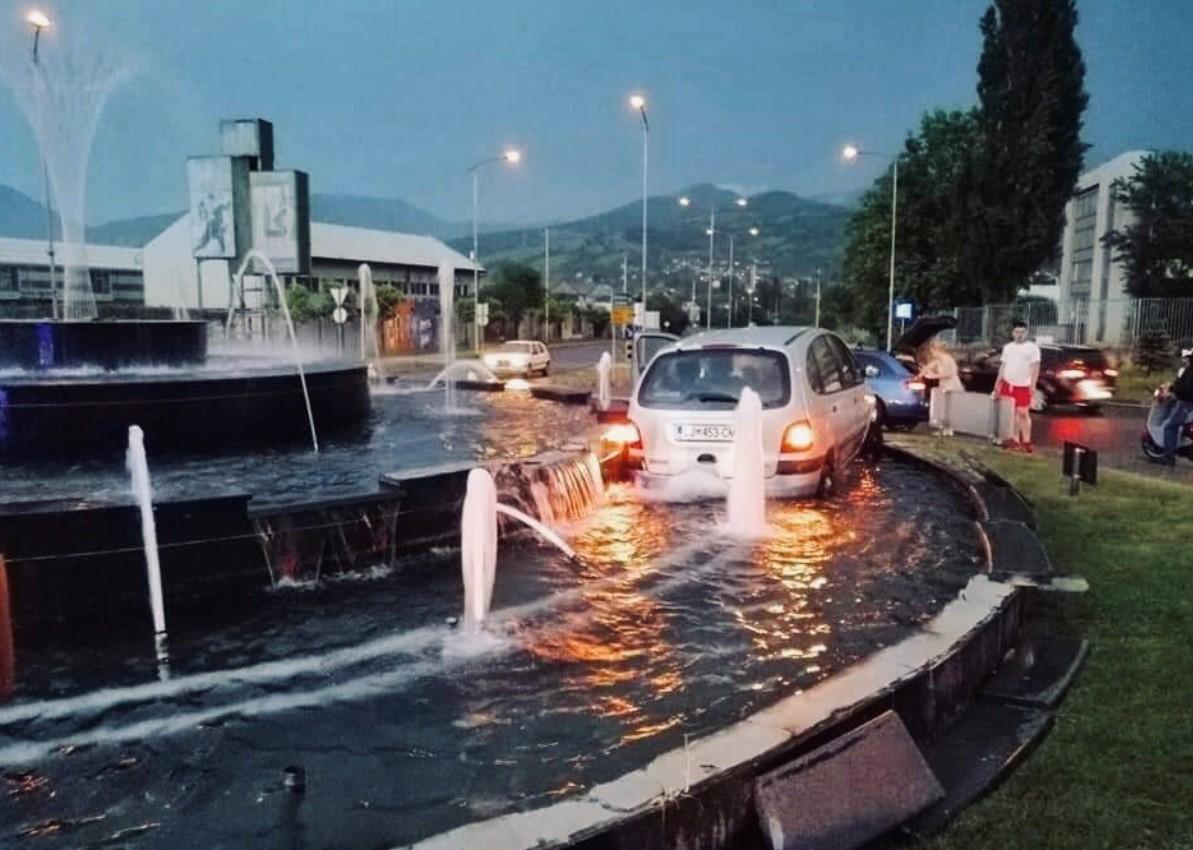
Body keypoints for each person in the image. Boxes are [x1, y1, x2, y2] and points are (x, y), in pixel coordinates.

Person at [991, 320, 1041, 452]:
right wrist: (998, 383)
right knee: (1011, 414)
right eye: (1017, 332)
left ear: (1026, 333)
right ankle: (1014, 440)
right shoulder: (1008, 347)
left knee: (1023, 413)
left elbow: (1035, 367)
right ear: (1013, 333)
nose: (1020, 334)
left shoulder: (1032, 348)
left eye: (1022, 332)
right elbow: (1003, 366)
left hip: (1023, 385)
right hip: (1008, 384)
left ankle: (1027, 441)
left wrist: (1033, 385)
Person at [916, 338, 964, 436]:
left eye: (931, 351)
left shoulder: (948, 359)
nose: (931, 354)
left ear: (936, 350)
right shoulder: (938, 360)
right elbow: (927, 368)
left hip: (952, 386)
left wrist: (934, 376)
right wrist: (919, 375)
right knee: (944, 409)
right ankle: (944, 430)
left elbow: (950, 373)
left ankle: (949, 430)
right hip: (944, 386)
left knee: (949, 409)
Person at [1155, 347, 1193, 466]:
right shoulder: (1188, 370)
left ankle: (1169, 456)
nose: (1185, 360)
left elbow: (1186, 388)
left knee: (1170, 427)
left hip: (1186, 402)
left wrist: (1172, 389)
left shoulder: (1191, 370)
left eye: (1187, 358)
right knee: (1184, 426)